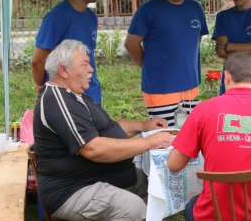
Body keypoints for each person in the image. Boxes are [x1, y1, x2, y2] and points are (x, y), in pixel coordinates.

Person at [33, 39, 173, 221]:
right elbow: (92, 148)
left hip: (94, 177)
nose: (91, 69)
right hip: (71, 190)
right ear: (63, 70)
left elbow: (109, 127)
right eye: (84, 65)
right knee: (133, 208)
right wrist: (148, 143)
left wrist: (143, 126)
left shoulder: (75, 96)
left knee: (155, 181)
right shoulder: (56, 100)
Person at [168, 51, 251, 221]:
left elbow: (174, 164)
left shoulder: (203, 110)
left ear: (226, 77)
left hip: (215, 215)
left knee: (192, 205)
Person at [124, 0, 208, 126]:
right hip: (161, 89)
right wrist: (149, 66)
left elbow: (196, 40)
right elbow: (131, 44)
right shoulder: (148, 10)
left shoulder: (195, 8)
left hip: (190, 88)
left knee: (189, 137)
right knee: (165, 139)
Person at [32, 0, 103, 104]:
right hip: (66, 100)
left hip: (92, 96)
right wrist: (41, 88)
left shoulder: (91, 17)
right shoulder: (56, 17)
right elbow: (38, 62)